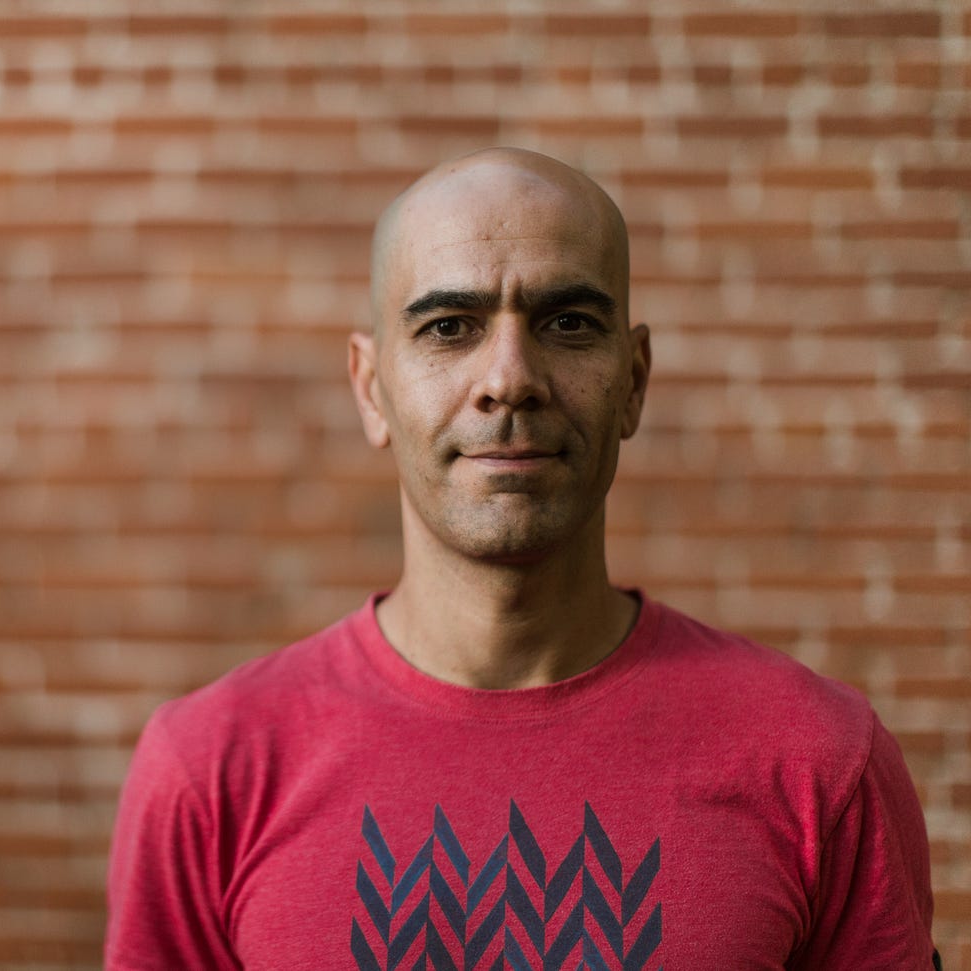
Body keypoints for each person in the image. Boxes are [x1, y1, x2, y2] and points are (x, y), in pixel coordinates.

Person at [105, 148, 938, 969]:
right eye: (448, 327)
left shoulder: (820, 762)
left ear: (634, 381)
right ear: (370, 387)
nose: (509, 377)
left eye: (567, 323)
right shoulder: (211, 770)